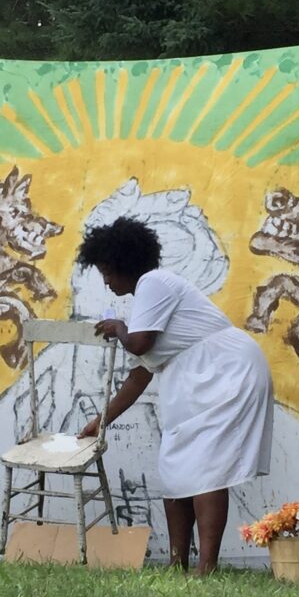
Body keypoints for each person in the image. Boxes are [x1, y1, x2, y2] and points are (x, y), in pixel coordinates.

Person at [77, 217, 273, 574]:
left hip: (227, 371)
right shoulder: (146, 302)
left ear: (126, 263)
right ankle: (176, 563)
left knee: (206, 468)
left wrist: (119, 327)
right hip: (200, 378)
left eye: (107, 271)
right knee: (175, 469)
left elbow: (137, 343)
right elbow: (138, 376)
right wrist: (101, 420)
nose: (105, 281)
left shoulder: (154, 283)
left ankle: (206, 566)